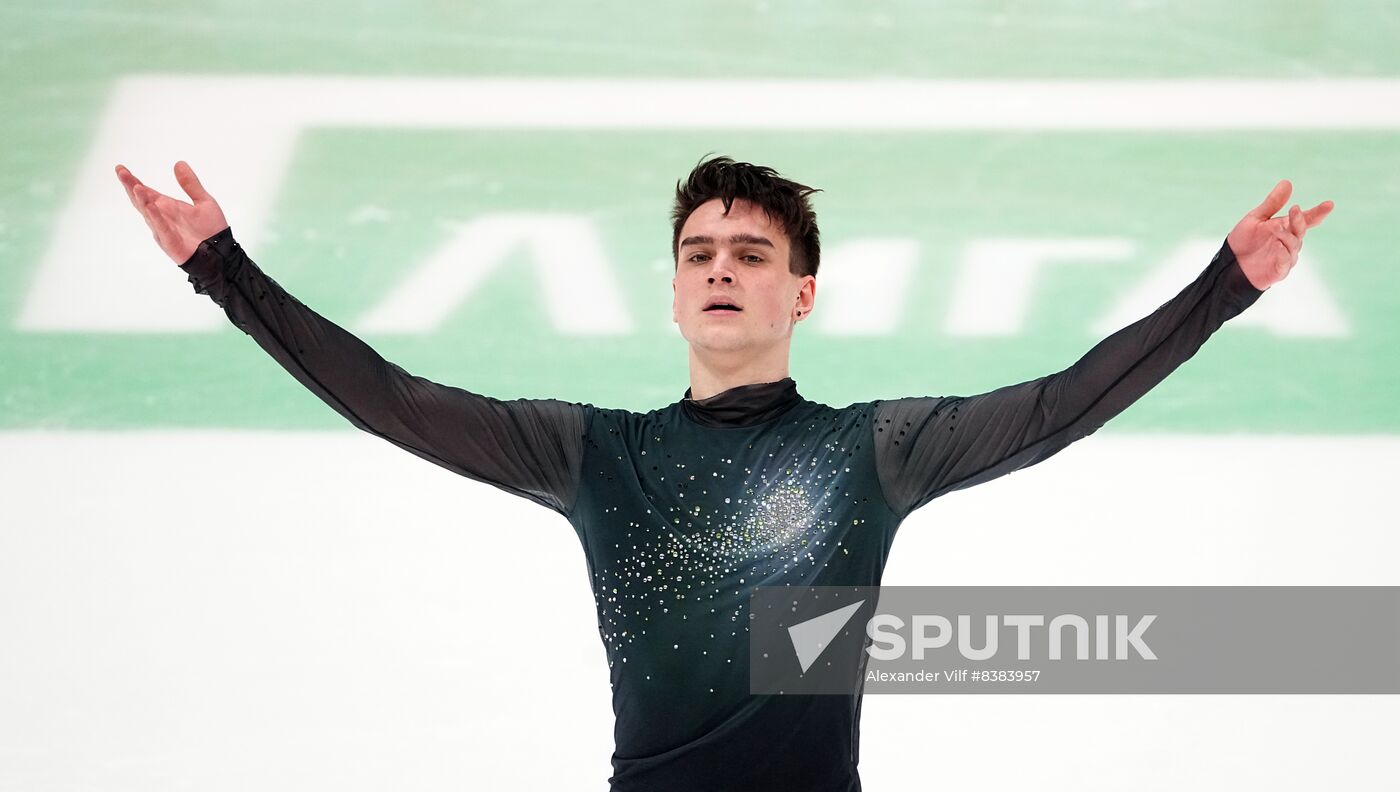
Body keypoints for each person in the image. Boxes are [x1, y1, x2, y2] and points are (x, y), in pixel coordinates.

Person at [115, 155, 1332, 791]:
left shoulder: (872, 452)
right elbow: (389, 400)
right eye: (698, 250)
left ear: (798, 293)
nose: (719, 268)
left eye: (749, 253)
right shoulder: (591, 454)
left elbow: (1063, 406)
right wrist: (222, 268)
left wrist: (1224, 287)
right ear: (672, 284)